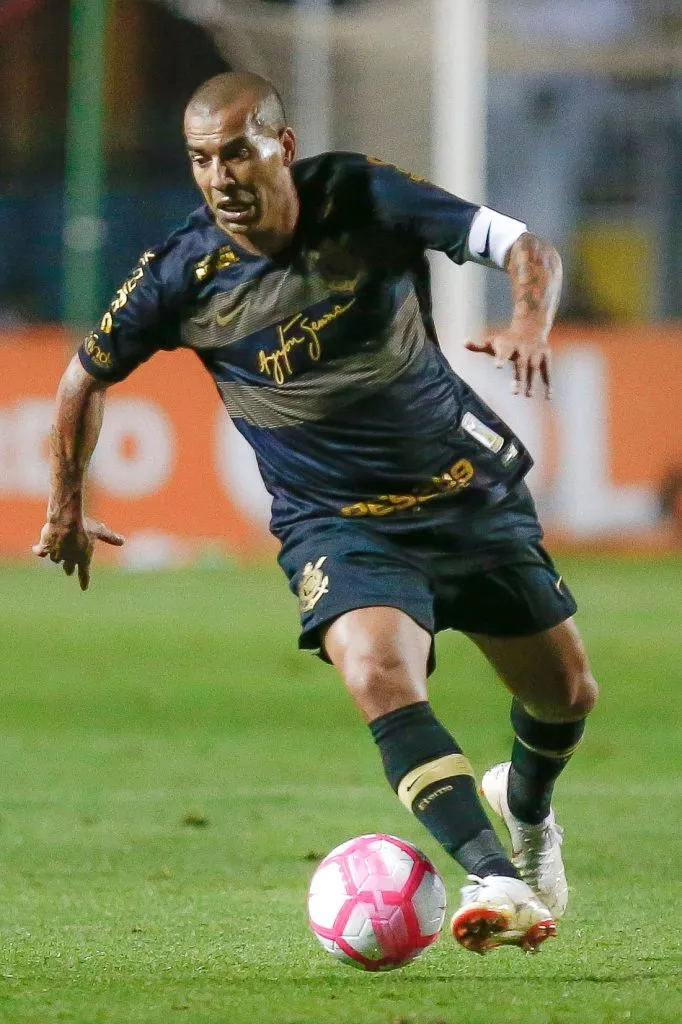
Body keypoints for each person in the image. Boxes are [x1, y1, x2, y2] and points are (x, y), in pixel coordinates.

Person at [33, 72, 598, 955]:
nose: (218, 176)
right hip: (337, 520)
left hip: (462, 491)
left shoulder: (365, 195)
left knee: (565, 695)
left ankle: (525, 807)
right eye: (199, 160)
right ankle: (491, 876)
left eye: (234, 152)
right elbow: (83, 377)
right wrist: (68, 501)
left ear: (281, 147)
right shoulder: (183, 274)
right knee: (376, 670)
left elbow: (525, 244)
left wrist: (529, 321)